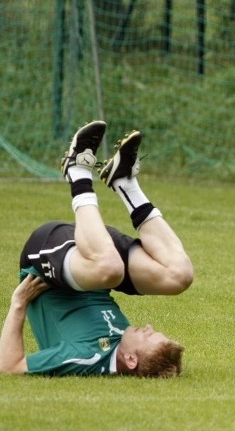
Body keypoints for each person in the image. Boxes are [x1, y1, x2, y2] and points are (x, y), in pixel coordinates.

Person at [0, 122, 192, 377]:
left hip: (48, 261)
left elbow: (9, 367)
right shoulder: (123, 347)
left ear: (131, 360)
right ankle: (124, 182)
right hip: (95, 257)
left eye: (148, 335)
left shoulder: (85, 358)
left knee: (109, 268)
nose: (147, 326)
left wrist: (18, 304)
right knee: (179, 276)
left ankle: (77, 170)